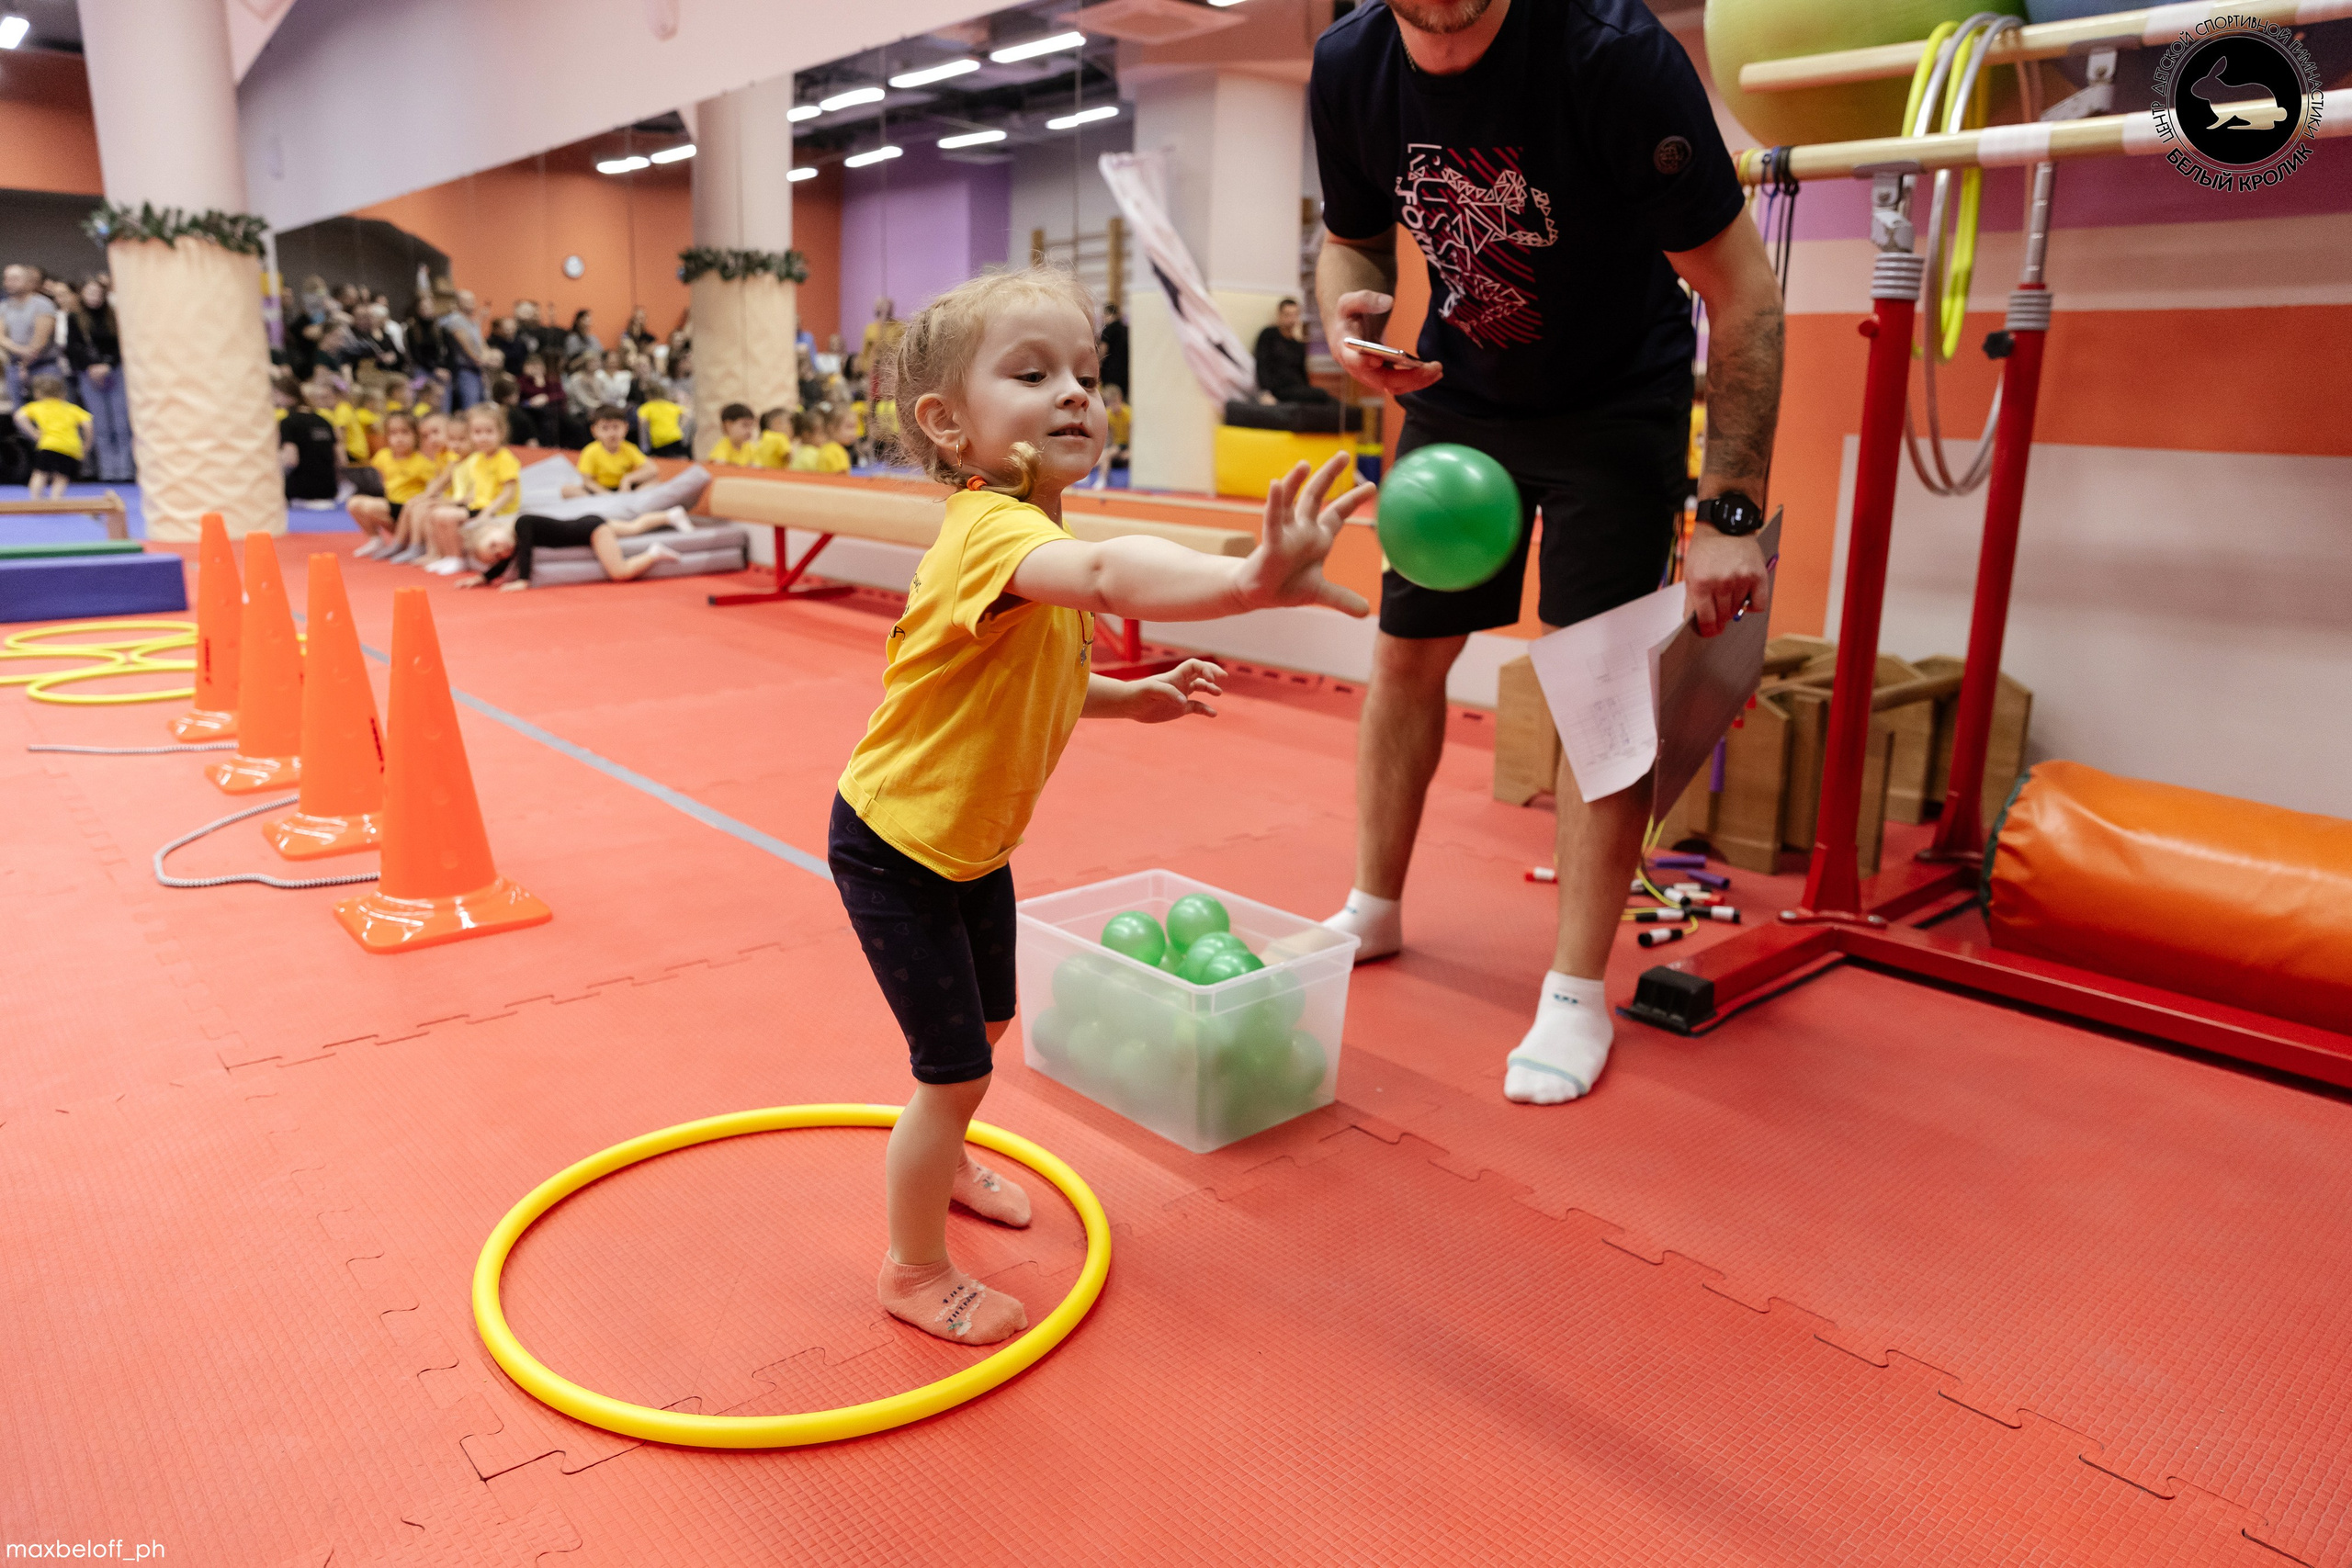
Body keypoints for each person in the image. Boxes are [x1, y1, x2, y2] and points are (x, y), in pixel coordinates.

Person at [832, 266, 1370, 1344]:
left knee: (987, 1025)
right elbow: (1113, 576)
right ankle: (912, 1268)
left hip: (970, 847)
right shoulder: (992, 532)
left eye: (1086, 370)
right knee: (953, 1071)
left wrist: (1134, 695)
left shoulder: (1039, 535)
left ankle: (950, 1157)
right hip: (897, 848)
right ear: (947, 423)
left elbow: (1048, 674)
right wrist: (1243, 582)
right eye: (1033, 374)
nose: (1077, 391)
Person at [1309, 0, 1781, 1105]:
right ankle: (1373, 907)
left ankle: (1574, 992)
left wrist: (1729, 517)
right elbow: (1350, 236)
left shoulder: (1611, 56)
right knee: (1405, 652)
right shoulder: (1349, 65)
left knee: (1596, 689)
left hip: (1615, 404)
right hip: (1455, 397)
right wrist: (1345, 320)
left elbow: (1744, 293)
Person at [458, 505, 685, 592]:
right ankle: (671, 515)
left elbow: (526, 552)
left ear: (494, 528)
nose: (501, 550)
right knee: (634, 527)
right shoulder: (515, 539)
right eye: (496, 554)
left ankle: (653, 553)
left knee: (620, 572)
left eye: (494, 544)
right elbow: (506, 561)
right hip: (588, 521)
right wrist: (483, 578)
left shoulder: (522, 523)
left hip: (592, 531)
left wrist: (523, 581)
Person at [411, 403, 520, 574]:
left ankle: (457, 558)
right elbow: (477, 488)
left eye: (489, 432)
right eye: (477, 433)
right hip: (478, 505)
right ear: (471, 435)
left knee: (445, 515)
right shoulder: (479, 459)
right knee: (436, 513)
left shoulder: (505, 458)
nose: (483, 438)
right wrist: (461, 502)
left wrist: (487, 512)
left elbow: (509, 492)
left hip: (497, 510)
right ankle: (445, 556)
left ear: (501, 433)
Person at [63, 276, 132, 483]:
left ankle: (125, 469)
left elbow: (123, 344)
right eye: (90, 293)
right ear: (82, 295)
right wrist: (90, 366)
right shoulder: (75, 318)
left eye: (98, 293)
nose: (94, 297)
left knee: (121, 423)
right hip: (89, 374)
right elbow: (73, 347)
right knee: (100, 424)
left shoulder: (114, 316)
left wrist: (108, 365)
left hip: (115, 371)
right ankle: (107, 470)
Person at [350, 412, 439, 558]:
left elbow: (434, 487)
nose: (399, 438)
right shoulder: (383, 456)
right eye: (393, 433)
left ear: (415, 435)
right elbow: (377, 481)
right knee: (354, 503)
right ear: (387, 436)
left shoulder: (422, 462)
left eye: (405, 432)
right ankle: (376, 539)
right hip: (391, 505)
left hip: (407, 507)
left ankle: (408, 538)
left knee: (371, 507)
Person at [12, 373, 91, 500]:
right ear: (63, 393)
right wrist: (86, 444)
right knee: (61, 476)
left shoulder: (38, 406)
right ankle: (56, 499)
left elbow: (19, 416)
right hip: (70, 446)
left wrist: (33, 433)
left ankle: (35, 498)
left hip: (49, 444)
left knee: (40, 473)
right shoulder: (71, 408)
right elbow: (88, 424)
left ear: (37, 394)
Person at [2, 264, 64, 407]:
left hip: (43, 366)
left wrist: (25, 363)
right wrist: (21, 360)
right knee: (20, 413)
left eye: (14, 278)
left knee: (49, 411)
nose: (9, 282)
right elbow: (1, 337)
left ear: (28, 281)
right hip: (15, 367)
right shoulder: (3, 307)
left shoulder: (43, 305)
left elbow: (39, 342)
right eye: (6, 278)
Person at [1253, 298, 1335, 407]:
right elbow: (1262, 364)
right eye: (1287, 315)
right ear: (1280, 315)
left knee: (1327, 398)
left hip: (1297, 389)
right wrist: (1265, 392)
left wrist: (1306, 389)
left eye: (1295, 315)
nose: (1291, 319)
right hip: (1278, 389)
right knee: (1321, 395)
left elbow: (1302, 372)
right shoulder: (1268, 335)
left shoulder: (1298, 345)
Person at [279, 378, 342, 508]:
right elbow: (341, 460)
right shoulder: (325, 422)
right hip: (328, 493)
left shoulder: (287, 423)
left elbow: (291, 461)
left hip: (300, 495)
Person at [575, 404, 658, 492]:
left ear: (626, 427)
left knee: (654, 482)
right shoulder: (590, 451)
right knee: (570, 490)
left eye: (616, 427)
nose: (612, 433)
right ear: (594, 431)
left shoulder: (629, 448)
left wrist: (628, 479)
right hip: (599, 491)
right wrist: (606, 494)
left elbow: (652, 469)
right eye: (605, 428)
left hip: (624, 489)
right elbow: (587, 480)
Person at [707, 402, 780, 468]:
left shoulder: (750, 448)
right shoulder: (722, 448)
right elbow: (719, 467)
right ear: (728, 426)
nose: (749, 430)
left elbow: (758, 466)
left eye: (752, 426)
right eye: (745, 425)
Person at [636, 376, 687, 457]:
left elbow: (642, 423)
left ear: (648, 395)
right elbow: (686, 414)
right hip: (675, 437)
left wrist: (644, 445)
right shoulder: (671, 405)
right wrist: (680, 426)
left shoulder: (646, 407)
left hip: (659, 441)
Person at [1095, 299, 1127, 397]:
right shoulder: (1125, 329)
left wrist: (1097, 363)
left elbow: (1103, 350)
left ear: (1107, 314)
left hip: (1111, 370)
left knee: (1110, 396)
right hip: (1125, 370)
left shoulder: (1108, 330)